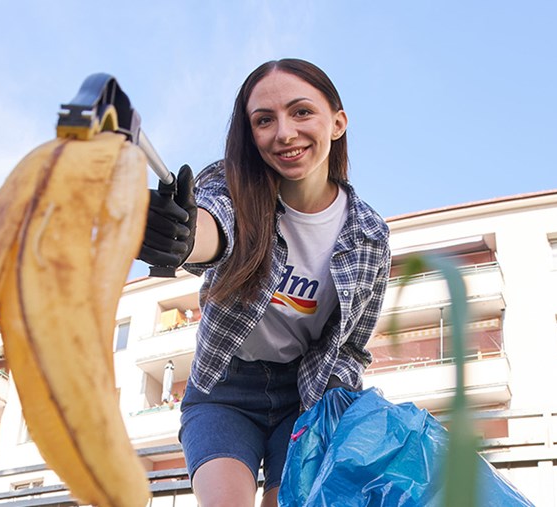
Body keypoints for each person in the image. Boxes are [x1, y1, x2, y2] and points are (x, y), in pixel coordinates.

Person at [138, 58, 391, 507]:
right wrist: (182, 235)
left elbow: (351, 346)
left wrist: (334, 413)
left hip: (304, 397)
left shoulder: (369, 235)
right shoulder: (231, 184)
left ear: (337, 123)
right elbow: (213, 224)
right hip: (224, 387)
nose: (284, 133)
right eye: (264, 120)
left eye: (301, 112)